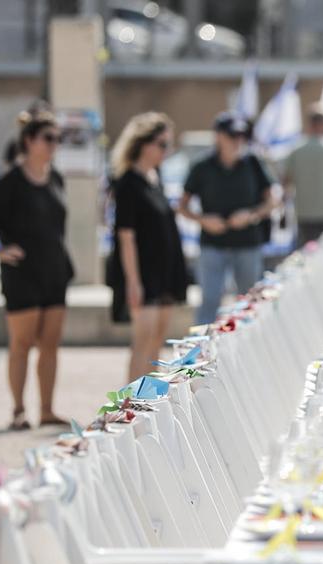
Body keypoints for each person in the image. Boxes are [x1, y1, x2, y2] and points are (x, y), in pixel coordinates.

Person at [0, 108, 73, 430]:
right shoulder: (12, 180)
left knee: (50, 345)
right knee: (22, 344)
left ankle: (47, 408)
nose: (54, 144)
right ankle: (18, 410)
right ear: (29, 140)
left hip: (54, 270)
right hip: (22, 272)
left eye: (58, 138)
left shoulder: (55, 177)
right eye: (48, 138)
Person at [106, 112, 189, 380]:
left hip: (165, 269)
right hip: (144, 272)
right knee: (142, 342)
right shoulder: (128, 182)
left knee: (157, 342)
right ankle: (131, 405)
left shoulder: (156, 176)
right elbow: (125, 235)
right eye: (162, 144)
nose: (166, 151)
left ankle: (150, 403)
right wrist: (133, 281)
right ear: (144, 144)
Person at [179, 111, 279, 326]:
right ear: (218, 136)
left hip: (247, 244)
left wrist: (251, 216)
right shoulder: (202, 166)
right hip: (212, 245)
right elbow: (182, 206)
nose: (238, 141)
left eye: (241, 136)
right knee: (210, 301)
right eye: (232, 136)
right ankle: (201, 352)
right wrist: (203, 220)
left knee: (249, 302)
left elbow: (272, 201)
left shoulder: (253, 163)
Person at [282, 109, 323, 248]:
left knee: (305, 254)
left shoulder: (296, 148)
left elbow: (286, 181)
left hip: (303, 210)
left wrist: (284, 207)